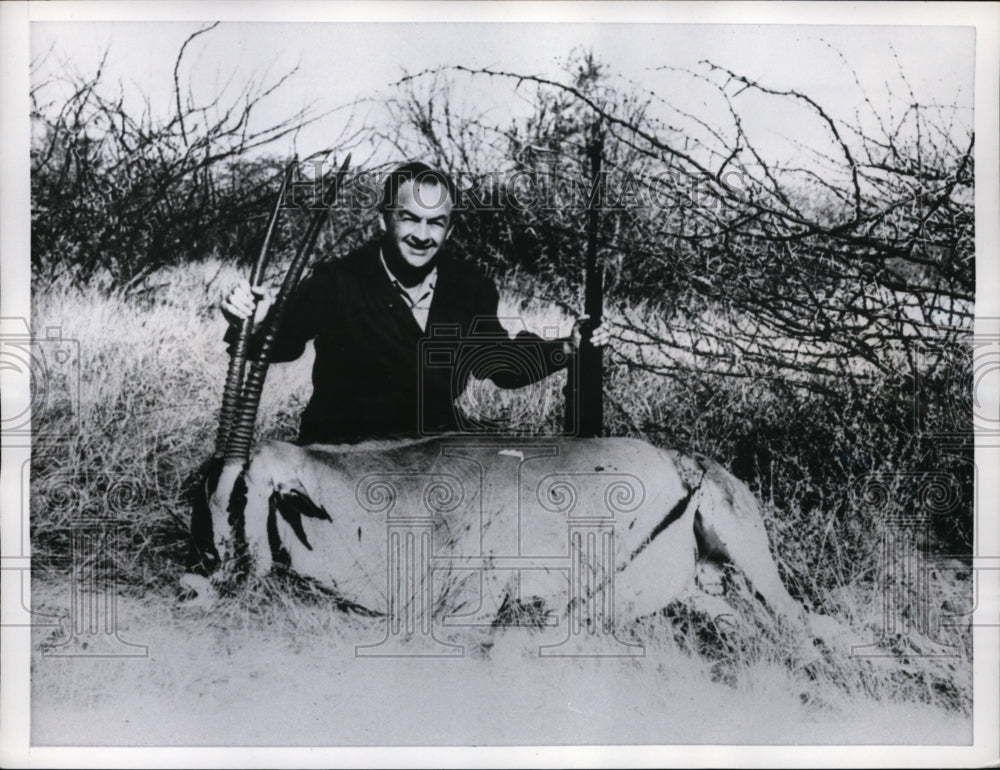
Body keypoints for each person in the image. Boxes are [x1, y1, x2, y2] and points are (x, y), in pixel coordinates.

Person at [221, 161, 611, 445]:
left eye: (435, 222)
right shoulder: (338, 279)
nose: (422, 235)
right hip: (341, 457)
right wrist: (249, 321)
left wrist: (566, 347)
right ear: (383, 221)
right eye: (409, 218)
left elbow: (500, 364)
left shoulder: (469, 288)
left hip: (431, 456)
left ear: (449, 228)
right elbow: (279, 343)